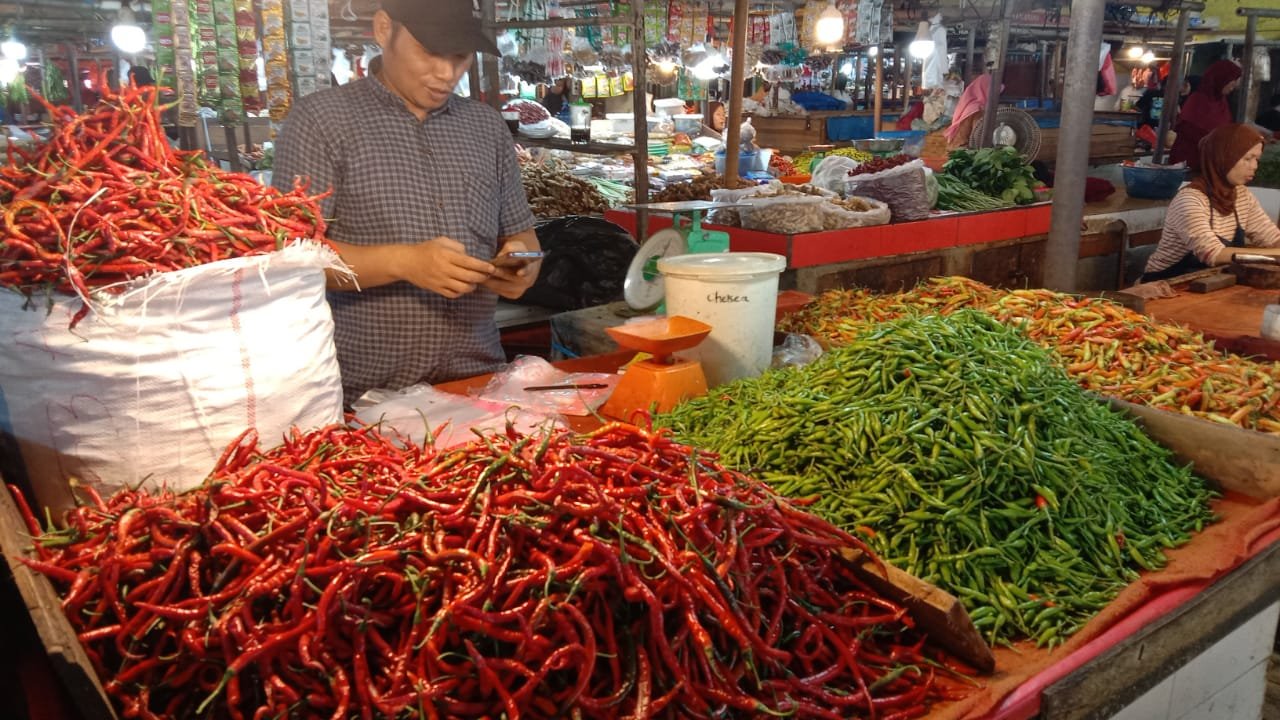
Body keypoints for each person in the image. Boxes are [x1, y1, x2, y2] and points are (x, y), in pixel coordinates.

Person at [272, 0, 541, 406]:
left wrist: (525, 263)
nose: (447, 73)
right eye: (431, 52)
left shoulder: (486, 127)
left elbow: (523, 235)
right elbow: (291, 256)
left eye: (460, 56)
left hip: (477, 383)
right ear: (384, 30)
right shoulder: (320, 121)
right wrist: (404, 263)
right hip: (363, 394)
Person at [1141, 124, 1280, 282]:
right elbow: (1213, 253)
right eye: (1247, 159)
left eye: (1257, 159)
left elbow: (1270, 237)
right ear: (1224, 158)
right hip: (1165, 284)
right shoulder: (1190, 200)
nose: (1254, 166)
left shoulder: (1242, 196)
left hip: (1212, 282)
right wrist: (1273, 255)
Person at [1168, 60, 1241, 169]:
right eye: (1232, 82)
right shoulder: (1197, 101)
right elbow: (1188, 130)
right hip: (1189, 162)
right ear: (1221, 79)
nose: (1233, 87)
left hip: (1213, 163)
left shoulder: (1222, 103)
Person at [944, 74, 994, 150]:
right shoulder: (977, 109)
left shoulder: (970, 104)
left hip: (954, 145)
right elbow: (978, 136)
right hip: (962, 149)